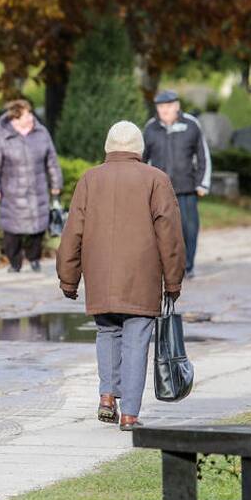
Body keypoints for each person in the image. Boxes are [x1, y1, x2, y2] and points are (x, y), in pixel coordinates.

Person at [57, 121, 186, 431]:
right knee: (136, 342)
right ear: (139, 149)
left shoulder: (90, 179)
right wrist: (173, 280)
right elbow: (169, 234)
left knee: (107, 333)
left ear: (108, 147)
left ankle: (106, 396)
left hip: (100, 275)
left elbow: (73, 230)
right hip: (141, 277)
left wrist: (68, 277)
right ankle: (129, 414)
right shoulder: (156, 180)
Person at [0, 98, 63, 273]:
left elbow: (52, 160)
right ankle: (15, 262)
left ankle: (34, 259)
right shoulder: (1, 137)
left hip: (38, 190)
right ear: (14, 118)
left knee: (38, 229)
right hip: (12, 193)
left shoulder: (42, 133)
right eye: (25, 115)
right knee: (12, 232)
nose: (30, 117)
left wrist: (56, 183)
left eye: (29, 113)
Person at [143, 89, 211, 279]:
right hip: (159, 192)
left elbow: (203, 155)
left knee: (189, 229)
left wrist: (202, 184)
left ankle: (187, 266)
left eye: (168, 106)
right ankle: (163, 266)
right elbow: (142, 160)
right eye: (160, 107)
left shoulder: (191, 125)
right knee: (159, 230)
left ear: (177, 106)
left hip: (187, 189)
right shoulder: (150, 128)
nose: (164, 110)